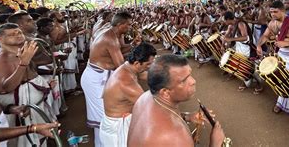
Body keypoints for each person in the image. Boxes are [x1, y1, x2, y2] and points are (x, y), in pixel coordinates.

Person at [127, 55, 226, 146]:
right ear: (165, 92)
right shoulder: (176, 136)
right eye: (184, 80)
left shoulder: (145, 97)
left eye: (190, 74)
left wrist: (187, 117)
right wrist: (215, 143)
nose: (193, 81)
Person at [0, 23, 56, 146]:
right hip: (20, 109)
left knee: (39, 138)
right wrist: (23, 63)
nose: (18, 35)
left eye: (19, 32)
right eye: (12, 34)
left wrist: (44, 84)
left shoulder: (23, 51)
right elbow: (4, 89)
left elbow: (31, 72)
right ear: (0, 39)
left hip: (35, 103)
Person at [81, 11, 139, 147]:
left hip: (101, 76)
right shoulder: (110, 39)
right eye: (128, 25)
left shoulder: (114, 34)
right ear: (120, 25)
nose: (130, 27)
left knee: (107, 117)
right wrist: (140, 67)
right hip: (95, 80)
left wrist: (134, 45)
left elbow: (122, 50)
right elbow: (121, 68)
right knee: (106, 118)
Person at [256, 0, 289, 126]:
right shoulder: (272, 23)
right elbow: (265, 36)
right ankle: (281, 103)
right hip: (281, 56)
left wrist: (286, 43)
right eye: (271, 12)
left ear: (283, 10)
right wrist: (259, 45)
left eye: (276, 12)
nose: (273, 14)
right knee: (280, 79)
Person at [100, 42, 156, 147]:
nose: (150, 67)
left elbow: (148, 76)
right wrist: (185, 117)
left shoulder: (129, 68)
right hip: (117, 129)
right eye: (148, 64)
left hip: (120, 122)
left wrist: (167, 76)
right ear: (137, 63)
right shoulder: (126, 82)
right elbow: (150, 108)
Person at [222, 11, 262, 94]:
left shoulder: (240, 24)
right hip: (240, 47)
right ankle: (245, 81)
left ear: (229, 19)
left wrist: (231, 39)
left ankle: (259, 84)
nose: (224, 22)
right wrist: (223, 44)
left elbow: (245, 37)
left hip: (248, 47)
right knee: (242, 64)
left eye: (225, 20)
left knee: (251, 66)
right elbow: (226, 36)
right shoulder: (230, 26)